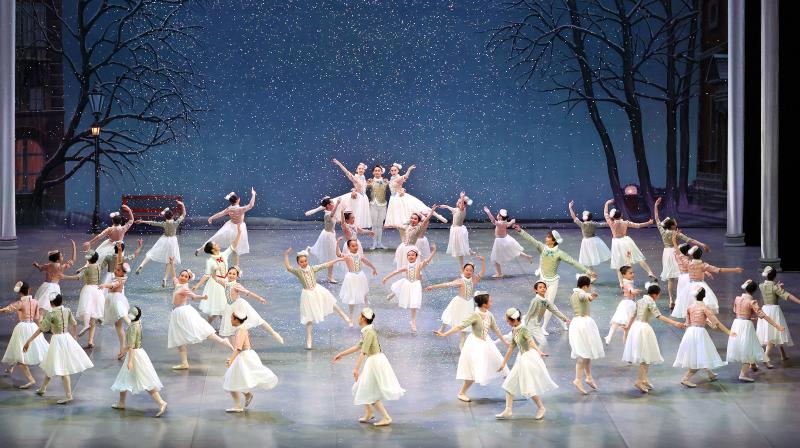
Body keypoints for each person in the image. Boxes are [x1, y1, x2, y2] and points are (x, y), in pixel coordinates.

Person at [514, 225, 595, 333]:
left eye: (548, 237)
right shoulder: (542, 247)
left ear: (553, 241)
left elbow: (572, 262)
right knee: (544, 302)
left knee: (548, 304)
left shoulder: (559, 253)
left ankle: (543, 327)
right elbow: (531, 240)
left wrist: (588, 271)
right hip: (543, 280)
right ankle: (563, 321)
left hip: (552, 282)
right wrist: (520, 231)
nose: (546, 238)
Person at [332, 307, 405, 426]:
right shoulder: (367, 331)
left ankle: (386, 417)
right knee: (360, 387)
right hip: (373, 361)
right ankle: (369, 412)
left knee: (370, 391)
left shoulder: (369, 332)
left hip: (376, 362)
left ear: (363, 318)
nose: (358, 318)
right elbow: (358, 346)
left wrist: (356, 369)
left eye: (360, 316)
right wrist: (341, 354)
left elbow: (363, 351)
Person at [434, 291, 510, 402]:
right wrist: (445, 334)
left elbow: (495, 329)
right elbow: (460, 326)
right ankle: (461, 393)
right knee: (472, 371)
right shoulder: (475, 315)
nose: (491, 302)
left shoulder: (489, 314)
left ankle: (511, 388)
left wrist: (504, 341)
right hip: (475, 345)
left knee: (500, 364)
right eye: (490, 301)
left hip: (487, 343)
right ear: (484, 304)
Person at [24, 293, 94, 404]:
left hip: (57, 340)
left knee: (62, 367)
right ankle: (43, 388)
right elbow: (74, 323)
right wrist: (74, 336)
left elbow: (41, 329)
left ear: (51, 303)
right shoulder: (67, 310)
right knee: (51, 363)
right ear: (61, 301)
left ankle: (69, 395)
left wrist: (29, 340)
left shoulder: (51, 314)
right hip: (67, 338)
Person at [167, 259, 233, 370]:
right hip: (176, 314)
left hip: (183, 313)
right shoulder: (177, 284)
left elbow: (194, 296)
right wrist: (172, 263)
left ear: (188, 279)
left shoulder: (184, 288)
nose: (183, 277)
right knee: (179, 339)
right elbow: (173, 275)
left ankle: (222, 341)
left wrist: (203, 297)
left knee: (200, 329)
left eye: (185, 276)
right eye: (182, 275)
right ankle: (184, 363)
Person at [622, 283, 686, 393]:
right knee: (645, 357)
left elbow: (633, 315)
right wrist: (675, 323)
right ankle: (639, 381)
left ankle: (644, 379)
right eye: (659, 294)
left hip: (636, 327)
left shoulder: (640, 301)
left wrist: (628, 326)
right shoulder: (650, 302)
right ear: (655, 295)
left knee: (647, 355)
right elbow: (659, 316)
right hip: (643, 329)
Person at [495, 307, 556, 420]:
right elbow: (511, 347)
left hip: (528, 359)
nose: (507, 323)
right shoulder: (514, 329)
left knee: (528, 386)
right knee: (509, 384)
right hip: (521, 359)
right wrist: (503, 363)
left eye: (508, 321)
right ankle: (508, 410)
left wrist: (539, 351)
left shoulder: (523, 329)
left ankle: (541, 408)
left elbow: (530, 341)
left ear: (514, 320)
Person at [284, 248, 351, 349]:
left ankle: (346, 317)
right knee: (309, 318)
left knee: (332, 303)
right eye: (301, 262)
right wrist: (286, 255)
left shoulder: (312, 268)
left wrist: (339, 259)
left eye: (305, 261)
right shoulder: (298, 272)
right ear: (298, 263)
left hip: (318, 290)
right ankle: (309, 338)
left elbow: (325, 265)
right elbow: (289, 268)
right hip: (308, 295)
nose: (304, 263)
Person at [110, 306, 168, 417]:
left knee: (144, 380)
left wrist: (130, 361)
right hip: (139, 353)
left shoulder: (133, 327)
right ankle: (121, 402)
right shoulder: (138, 323)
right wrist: (124, 351)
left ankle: (161, 402)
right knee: (124, 378)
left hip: (135, 356)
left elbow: (131, 346)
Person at [653, 197, 708, 308]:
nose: (676, 222)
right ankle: (682, 299)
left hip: (666, 253)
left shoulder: (663, 230)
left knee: (670, 279)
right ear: (672, 226)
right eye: (674, 222)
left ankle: (671, 299)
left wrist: (655, 205)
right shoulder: (676, 233)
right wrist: (702, 244)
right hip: (676, 252)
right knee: (681, 276)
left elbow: (657, 218)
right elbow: (690, 240)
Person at [673, 287, 734, 388]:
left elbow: (687, 323)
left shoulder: (690, 307)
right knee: (699, 357)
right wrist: (728, 331)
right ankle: (685, 378)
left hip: (690, 333)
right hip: (700, 333)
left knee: (702, 354)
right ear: (704, 296)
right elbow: (716, 322)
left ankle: (710, 374)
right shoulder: (705, 308)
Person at [727, 280, 784, 382]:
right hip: (746, 326)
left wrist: (748, 317)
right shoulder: (752, 302)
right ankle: (743, 374)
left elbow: (736, 311)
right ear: (754, 291)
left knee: (747, 344)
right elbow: (763, 316)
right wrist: (777, 326)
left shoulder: (737, 299)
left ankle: (753, 365)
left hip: (736, 323)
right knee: (748, 346)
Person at [222, 312, 279, 413]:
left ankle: (239, 404)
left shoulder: (241, 330)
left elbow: (238, 348)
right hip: (245, 356)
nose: (230, 320)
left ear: (236, 320)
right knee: (235, 378)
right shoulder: (242, 329)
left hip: (244, 357)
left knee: (231, 379)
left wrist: (231, 360)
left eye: (231, 318)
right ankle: (247, 395)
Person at [427, 254, 486, 349]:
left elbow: (482, 272)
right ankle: (442, 329)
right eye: (466, 270)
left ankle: (462, 343)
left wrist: (483, 261)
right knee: (449, 314)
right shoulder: (460, 281)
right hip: (459, 302)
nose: (468, 272)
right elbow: (446, 284)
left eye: (470, 270)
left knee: (465, 322)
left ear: (473, 272)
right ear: (463, 270)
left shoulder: (474, 280)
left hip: (469, 304)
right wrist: (433, 287)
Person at [216, 266, 284, 344]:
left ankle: (274, 334)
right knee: (230, 330)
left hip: (239, 306)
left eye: (234, 274)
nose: (231, 275)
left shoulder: (237, 285)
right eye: (230, 273)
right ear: (227, 274)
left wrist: (259, 298)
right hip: (229, 308)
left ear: (237, 276)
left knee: (257, 319)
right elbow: (214, 278)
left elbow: (248, 293)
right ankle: (235, 349)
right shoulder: (225, 283)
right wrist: (214, 270)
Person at [0, 281, 48, 389]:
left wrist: (1, 310)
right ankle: (11, 367)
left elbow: (7, 309)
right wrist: (40, 330)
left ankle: (31, 379)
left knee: (20, 353)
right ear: (29, 290)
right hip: (33, 327)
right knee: (19, 349)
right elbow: (37, 317)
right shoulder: (35, 302)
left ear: (19, 293)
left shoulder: (20, 303)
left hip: (22, 329)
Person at [192, 224, 242, 325]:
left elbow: (233, 245)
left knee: (225, 307)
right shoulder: (210, 261)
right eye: (215, 244)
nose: (218, 244)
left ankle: (223, 327)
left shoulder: (224, 254)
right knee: (218, 308)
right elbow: (206, 275)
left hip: (225, 282)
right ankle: (208, 325)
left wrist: (239, 233)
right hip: (215, 285)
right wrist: (197, 285)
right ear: (212, 249)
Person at [383, 244, 437, 332]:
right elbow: (395, 272)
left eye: (413, 255)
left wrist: (434, 251)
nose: (411, 256)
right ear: (407, 257)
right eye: (409, 255)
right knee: (402, 286)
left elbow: (428, 260)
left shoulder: (419, 265)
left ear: (416, 256)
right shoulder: (406, 267)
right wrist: (386, 278)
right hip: (407, 283)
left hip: (416, 285)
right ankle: (393, 294)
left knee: (414, 304)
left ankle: (413, 322)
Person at [197, 188, 256, 267]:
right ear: (238, 200)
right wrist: (253, 194)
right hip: (238, 228)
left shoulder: (229, 208)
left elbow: (220, 214)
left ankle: (201, 249)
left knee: (216, 237)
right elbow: (251, 205)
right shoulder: (240, 209)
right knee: (236, 249)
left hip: (230, 226)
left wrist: (211, 217)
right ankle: (236, 267)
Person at [603, 199, 656, 285]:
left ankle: (621, 283)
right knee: (638, 258)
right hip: (626, 241)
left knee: (619, 264)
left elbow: (605, 214)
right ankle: (649, 272)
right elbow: (638, 225)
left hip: (617, 243)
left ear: (613, 216)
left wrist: (607, 203)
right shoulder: (625, 222)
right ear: (621, 215)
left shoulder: (611, 223)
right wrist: (648, 222)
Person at [134, 200, 187, 287]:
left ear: (165, 217)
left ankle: (141, 265)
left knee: (151, 253)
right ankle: (165, 279)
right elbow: (184, 214)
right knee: (170, 261)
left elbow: (152, 223)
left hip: (164, 239)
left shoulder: (164, 223)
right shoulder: (175, 222)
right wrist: (182, 205)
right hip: (172, 241)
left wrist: (142, 221)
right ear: (173, 216)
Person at [568, 275, 605, 395]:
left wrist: (590, 297)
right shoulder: (581, 293)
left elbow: (583, 298)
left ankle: (588, 377)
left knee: (587, 352)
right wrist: (590, 296)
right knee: (583, 354)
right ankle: (578, 379)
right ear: (586, 286)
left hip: (578, 323)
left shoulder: (573, 295)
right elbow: (583, 296)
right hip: (583, 325)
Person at [758, 266, 799, 368]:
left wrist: (777, 286)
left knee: (775, 333)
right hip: (774, 311)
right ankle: (765, 357)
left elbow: (770, 289)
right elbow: (787, 295)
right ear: (775, 276)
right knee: (773, 335)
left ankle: (783, 354)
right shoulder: (775, 287)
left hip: (765, 309)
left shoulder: (761, 285)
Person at [336, 238, 379, 325]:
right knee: (351, 297)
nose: (355, 247)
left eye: (356, 245)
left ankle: (368, 313)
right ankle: (351, 318)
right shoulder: (347, 256)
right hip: (351, 277)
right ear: (348, 247)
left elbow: (367, 262)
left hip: (360, 276)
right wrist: (337, 243)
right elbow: (338, 254)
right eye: (353, 246)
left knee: (364, 294)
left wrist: (373, 268)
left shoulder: (359, 255)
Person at [484, 206, 532, 278]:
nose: (497, 215)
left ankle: (499, 273)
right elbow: (509, 223)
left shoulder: (500, 223)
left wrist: (488, 212)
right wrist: (512, 221)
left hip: (500, 242)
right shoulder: (505, 223)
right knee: (514, 251)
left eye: (498, 214)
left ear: (500, 217)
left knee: (495, 258)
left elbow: (493, 220)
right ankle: (527, 256)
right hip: (506, 239)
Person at [31, 241, 77, 310]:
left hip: (45, 286)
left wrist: (37, 265)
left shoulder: (48, 265)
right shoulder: (61, 267)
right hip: (54, 287)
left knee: (42, 304)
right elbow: (73, 260)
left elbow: (40, 267)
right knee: (53, 305)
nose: (63, 257)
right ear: (58, 259)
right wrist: (74, 247)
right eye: (61, 256)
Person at [306, 197, 342, 283]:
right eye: (332, 203)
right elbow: (332, 215)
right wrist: (337, 203)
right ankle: (330, 277)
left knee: (331, 256)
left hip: (330, 235)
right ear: (328, 205)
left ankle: (310, 249)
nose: (333, 203)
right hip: (328, 237)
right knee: (331, 257)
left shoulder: (330, 212)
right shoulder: (327, 214)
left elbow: (334, 219)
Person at [568, 201, 611, 270]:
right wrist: (611, 222)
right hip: (595, 240)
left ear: (586, 217)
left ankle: (591, 271)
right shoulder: (593, 223)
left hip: (586, 241)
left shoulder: (583, 224)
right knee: (602, 253)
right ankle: (614, 263)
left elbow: (574, 217)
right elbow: (603, 224)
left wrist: (570, 208)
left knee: (588, 256)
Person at [332, 158, 372, 228]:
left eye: (362, 169)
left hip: (364, 197)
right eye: (359, 169)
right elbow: (346, 171)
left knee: (361, 212)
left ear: (364, 170)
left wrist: (368, 183)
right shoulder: (354, 177)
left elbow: (363, 186)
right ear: (357, 170)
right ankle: (354, 225)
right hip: (358, 196)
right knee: (356, 211)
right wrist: (339, 164)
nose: (361, 170)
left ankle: (359, 226)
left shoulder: (363, 177)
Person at [442, 192, 473, 267]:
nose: (457, 203)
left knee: (460, 248)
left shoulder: (462, 209)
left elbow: (462, 206)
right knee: (459, 247)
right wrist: (445, 206)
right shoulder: (456, 209)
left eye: (459, 202)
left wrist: (462, 197)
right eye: (458, 201)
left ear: (463, 204)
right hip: (455, 229)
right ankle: (467, 252)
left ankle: (464, 260)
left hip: (458, 230)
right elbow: (451, 208)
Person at [366, 165, 389, 249]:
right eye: (375, 170)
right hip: (373, 204)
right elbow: (362, 188)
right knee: (374, 224)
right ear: (373, 172)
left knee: (380, 225)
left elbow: (395, 186)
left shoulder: (385, 181)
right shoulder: (370, 181)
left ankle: (379, 243)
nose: (377, 172)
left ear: (381, 172)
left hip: (383, 204)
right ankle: (374, 243)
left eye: (379, 170)